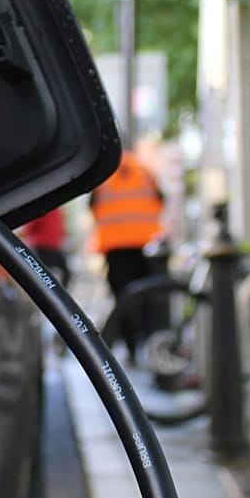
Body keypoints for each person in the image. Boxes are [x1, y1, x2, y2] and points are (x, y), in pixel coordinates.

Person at [90, 149, 165, 362]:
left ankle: (132, 345)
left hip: (115, 246)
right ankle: (149, 344)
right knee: (147, 295)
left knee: (123, 297)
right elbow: (160, 200)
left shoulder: (104, 171)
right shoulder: (143, 169)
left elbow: (93, 207)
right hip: (144, 243)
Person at [20, 206, 70, 287]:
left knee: (65, 273)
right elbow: (29, 228)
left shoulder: (55, 209)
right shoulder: (41, 209)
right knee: (45, 275)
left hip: (54, 247)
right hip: (43, 247)